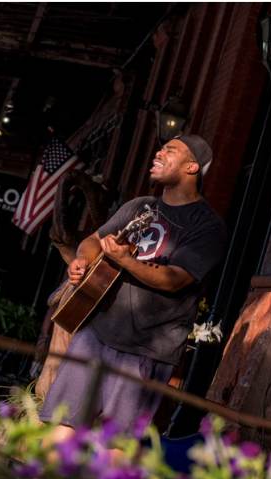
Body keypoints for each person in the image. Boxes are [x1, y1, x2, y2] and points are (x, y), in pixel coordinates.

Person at [39, 134, 227, 443]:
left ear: (192, 167)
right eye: (160, 148)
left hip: (146, 349)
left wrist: (125, 260)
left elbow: (175, 279)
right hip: (96, 332)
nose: (158, 153)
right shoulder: (140, 206)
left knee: (115, 444)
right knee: (62, 424)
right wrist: (82, 262)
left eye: (170, 150)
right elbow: (93, 241)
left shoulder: (207, 227)